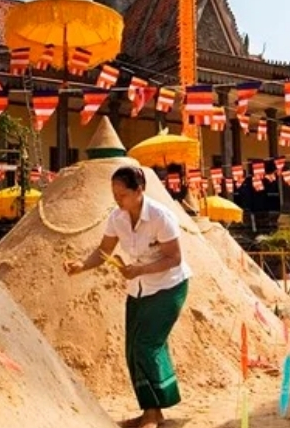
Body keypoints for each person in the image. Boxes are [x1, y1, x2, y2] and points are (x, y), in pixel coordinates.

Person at [64, 166, 192, 428]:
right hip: (138, 289)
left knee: (147, 345)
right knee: (132, 349)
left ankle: (158, 412)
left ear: (139, 191)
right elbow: (103, 251)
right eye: (114, 194)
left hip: (169, 286)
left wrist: (140, 269)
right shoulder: (116, 218)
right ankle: (151, 412)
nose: (117, 199)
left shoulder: (160, 216)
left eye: (121, 194)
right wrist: (81, 266)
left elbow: (174, 257)